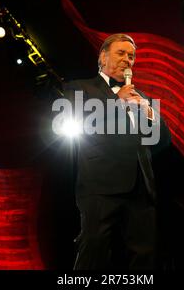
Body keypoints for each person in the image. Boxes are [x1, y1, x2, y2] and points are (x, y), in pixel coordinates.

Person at [63, 33, 171, 270]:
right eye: (121, 53)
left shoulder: (141, 97)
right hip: (100, 185)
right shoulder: (79, 88)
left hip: (142, 187)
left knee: (145, 255)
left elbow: (163, 141)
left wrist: (150, 114)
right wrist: (116, 102)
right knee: (94, 249)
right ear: (102, 57)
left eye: (131, 56)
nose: (127, 60)